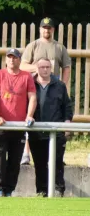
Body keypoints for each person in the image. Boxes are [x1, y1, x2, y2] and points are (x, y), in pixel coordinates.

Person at [20, 17, 71, 165]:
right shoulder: (33, 46)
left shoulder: (60, 48)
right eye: (44, 28)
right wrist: (39, 68)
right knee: (32, 118)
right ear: (40, 29)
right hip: (35, 87)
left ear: (53, 30)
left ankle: (57, 155)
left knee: (57, 120)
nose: (46, 30)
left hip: (54, 88)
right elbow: (23, 65)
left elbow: (66, 67)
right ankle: (26, 153)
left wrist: (63, 84)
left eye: (49, 28)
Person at [0, 48, 37, 197]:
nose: (11, 60)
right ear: (5, 59)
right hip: (2, 124)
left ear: (19, 60)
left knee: (15, 159)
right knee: (0, 157)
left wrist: (29, 115)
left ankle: (10, 189)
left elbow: (33, 97)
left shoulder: (26, 77)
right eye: (9, 57)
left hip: (19, 125)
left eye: (14, 57)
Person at [29, 58, 72, 197]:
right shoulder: (30, 85)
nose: (45, 69)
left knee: (57, 163)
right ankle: (41, 191)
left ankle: (59, 190)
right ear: (37, 68)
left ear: (51, 68)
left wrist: (67, 122)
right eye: (42, 67)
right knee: (39, 165)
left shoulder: (59, 85)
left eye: (47, 67)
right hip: (36, 133)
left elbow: (67, 106)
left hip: (56, 133)